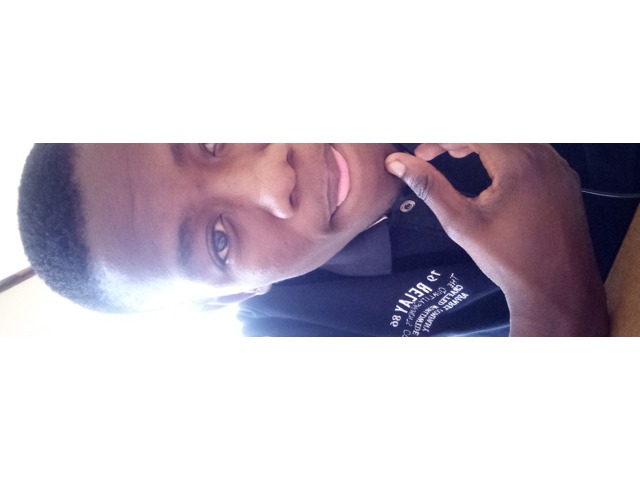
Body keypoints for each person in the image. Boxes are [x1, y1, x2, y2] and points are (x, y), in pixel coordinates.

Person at [17, 144, 639, 336]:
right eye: (219, 242)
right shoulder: (295, 338)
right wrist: (553, 304)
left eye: (210, 138)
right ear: (234, 295)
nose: (273, 180)